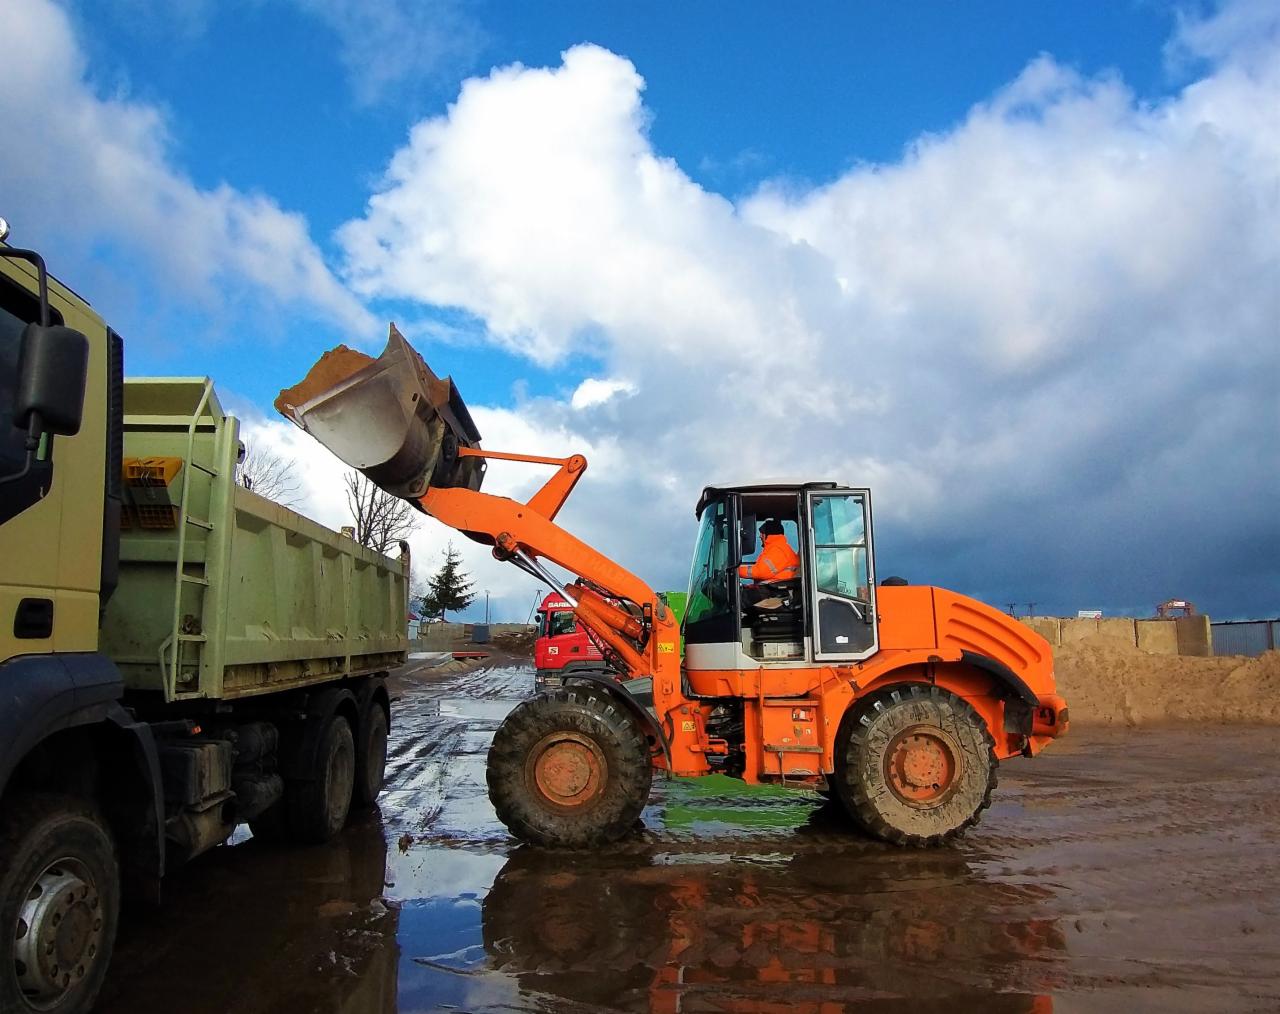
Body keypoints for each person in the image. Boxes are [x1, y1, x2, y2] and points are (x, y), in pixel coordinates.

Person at [738, 519, 799, 585]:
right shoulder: (778, 548)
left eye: (762, 533)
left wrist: (736, 571)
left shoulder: (777, 550)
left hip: (776, 589)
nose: (760, 536)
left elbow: (760, 572)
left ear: (769, 535)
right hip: (774, 587)